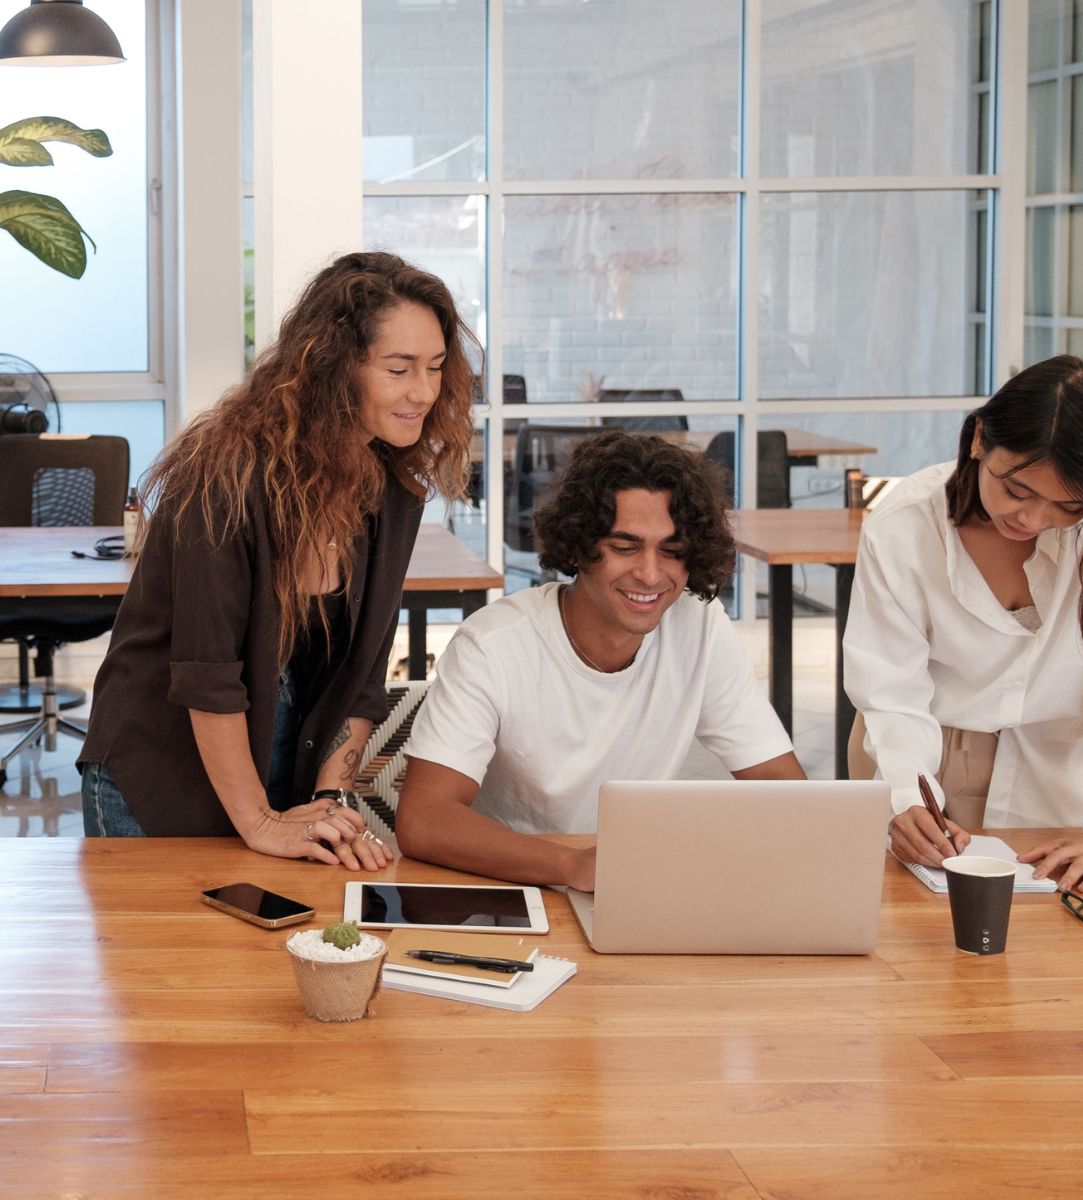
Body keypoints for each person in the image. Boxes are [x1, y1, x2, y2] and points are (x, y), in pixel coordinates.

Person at [78, 251, 477, 869]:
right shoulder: (226, 476)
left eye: (435, 367)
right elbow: (207, 676)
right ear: (334, 368)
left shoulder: (392, 492)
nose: (423, 392)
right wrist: (258, 821)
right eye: (399, 369)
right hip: (162, 778)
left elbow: (363, 681)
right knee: (173, 967)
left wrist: (331, 798)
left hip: (283, 772)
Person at [394, 430, 806, 891]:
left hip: (634, 883)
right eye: (624, 547)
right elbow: (425, 820)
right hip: (513, 887)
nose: (650, 574)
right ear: (578, 546)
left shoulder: (700, 626)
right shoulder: (492, 646)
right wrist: (573, 867)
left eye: (671, 551)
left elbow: (780, 785)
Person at [843, 355, 1083, 895]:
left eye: (1066, 507)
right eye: (1016, 491)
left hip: (1058, 763)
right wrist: (906, 799)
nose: (1032, 520)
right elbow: (891, 694)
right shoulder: (903, 528)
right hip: (929, 755)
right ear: (979, 440)